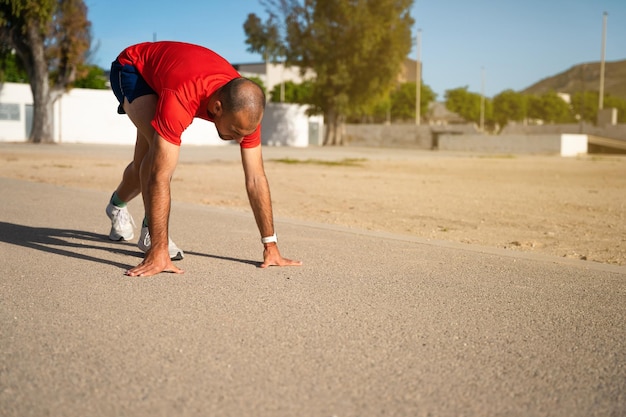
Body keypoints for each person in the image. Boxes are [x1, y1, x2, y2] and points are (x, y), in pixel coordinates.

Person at [106, 41, 302, 277]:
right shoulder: (182, 96)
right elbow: (160, 176)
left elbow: (256, 179)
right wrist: (160, 251)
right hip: (134, 68)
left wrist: (270, 245)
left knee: (142, 165)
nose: (240, 140)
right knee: (154, 158)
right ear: (217, 108)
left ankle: (116, 205)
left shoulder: (245, 113)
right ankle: (153, 238)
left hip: (170, 74)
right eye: (236, 132)